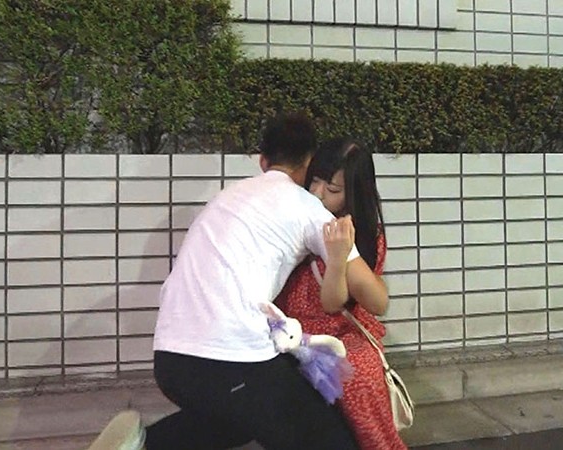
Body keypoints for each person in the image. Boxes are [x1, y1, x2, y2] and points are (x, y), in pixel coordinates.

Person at [87, 112, 387, 450]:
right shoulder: (308, 208)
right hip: (227, 358)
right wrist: (343, 253)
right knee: (325, 439)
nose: (318, 192)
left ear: (263, 161)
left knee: (237, 420)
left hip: (170, 360)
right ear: (309, 162)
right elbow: (376, 298)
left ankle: (142, 444)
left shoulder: (228, 196)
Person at [273, 138, 406, 450]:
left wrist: (337, 258)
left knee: (357, 374)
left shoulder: (358, 234)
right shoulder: (292, 217)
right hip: (289, 329)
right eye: (314, 181)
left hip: (338, 330)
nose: (317, 193)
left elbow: (334, 303)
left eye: (332, 189)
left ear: (353, 194)